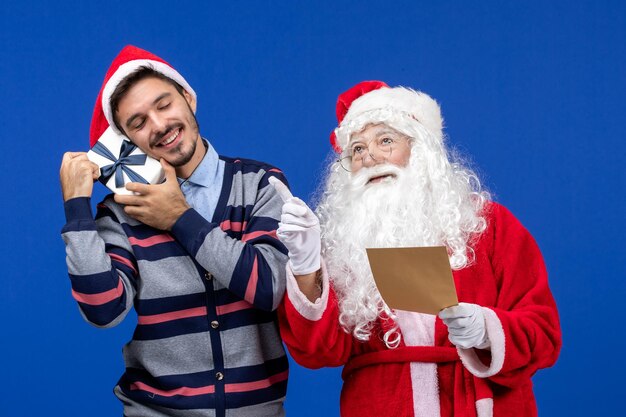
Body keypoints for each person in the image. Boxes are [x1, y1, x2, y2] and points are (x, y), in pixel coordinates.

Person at [273, 81, 561, 417]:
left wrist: (487, 330)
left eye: (385, 141)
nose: (370, 158)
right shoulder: (343, 244)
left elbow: (544, 332)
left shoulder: (489, 225)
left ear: (420, 149)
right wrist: (307, 264)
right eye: (357, 150)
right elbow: (318, 352)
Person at [59, 45, 290, 416]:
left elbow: (270, 286)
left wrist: (179, 218)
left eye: (163, 104)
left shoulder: (261, 184)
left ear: (188, 98)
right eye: (138, 122)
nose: (159, 125)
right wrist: (77, 209)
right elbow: (102, 310)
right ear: (126, 141)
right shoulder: (121, 213)